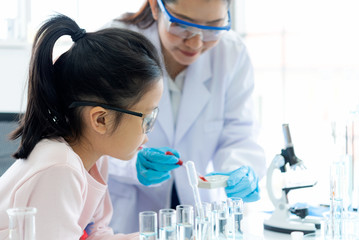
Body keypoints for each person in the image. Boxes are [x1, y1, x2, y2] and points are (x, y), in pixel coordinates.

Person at [104, 0, 266, 233]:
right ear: (155, 7)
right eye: (182, 25)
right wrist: (131, 164)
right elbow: (88, 133)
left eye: (213, 27)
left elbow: (240, 134)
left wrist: (239, 168)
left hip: (197, 210)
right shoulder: (115, 44)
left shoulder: (231, 54)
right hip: (126, 212)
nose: (196, 42)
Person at [0, 14, 164, 239]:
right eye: (147, 119)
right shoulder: (60, 167)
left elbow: (96, 233)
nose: (149, 132)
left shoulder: (94, 157)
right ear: (100, 120)